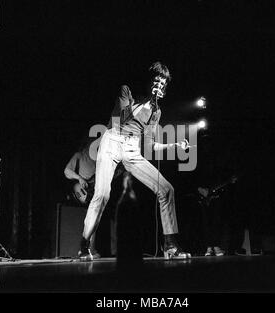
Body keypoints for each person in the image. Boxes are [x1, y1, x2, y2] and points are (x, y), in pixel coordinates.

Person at [78, 61, 191, 261]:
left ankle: (171, 246)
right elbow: (118, 120)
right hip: (112, 140)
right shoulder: (127, 92)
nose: (160, 86)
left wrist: (174, 146)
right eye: (158, 80)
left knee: (166, 189)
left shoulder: (156, 111)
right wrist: (147, 102)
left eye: (164, 83)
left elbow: (150, 146)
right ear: (149, 81)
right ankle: (84, 245)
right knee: (103, 194)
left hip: (131, 149)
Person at [64, 141, 101, 259]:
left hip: (94, 192)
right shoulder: (79, 156)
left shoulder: (100, 159)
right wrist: (79, 178)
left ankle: (89, 249)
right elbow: (67, 171)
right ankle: (87, 249)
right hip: (81, 191)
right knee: (92, 218)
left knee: (93, 219)